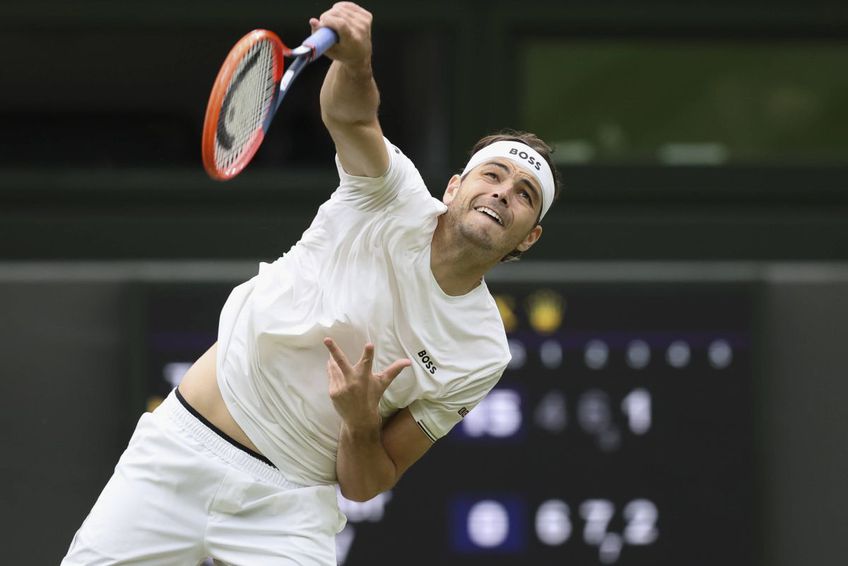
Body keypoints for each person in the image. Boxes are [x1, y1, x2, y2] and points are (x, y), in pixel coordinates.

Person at [62, 2, 562, 565]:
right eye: (492, 175)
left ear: (528, 238)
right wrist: (357, 62)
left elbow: (367, 482)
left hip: (291, 507)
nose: (502, 193)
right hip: (180, 452)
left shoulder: (481, 353)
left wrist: (359, 423)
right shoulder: (389, 195)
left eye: (524, 194)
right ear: (452, 188)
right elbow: (352, 117)